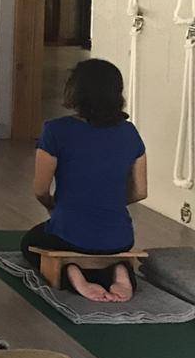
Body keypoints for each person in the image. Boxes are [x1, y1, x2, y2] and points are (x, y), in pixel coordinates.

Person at [22, 59, 148, 303]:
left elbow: (40, 189)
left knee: (30, 243)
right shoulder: (130, 132)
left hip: (69, 234)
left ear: (75, 91)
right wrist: (106, 201)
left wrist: (52, 206)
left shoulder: (55, 130)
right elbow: (141, 191)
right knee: (104, 252)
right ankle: (120, 268)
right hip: (120, 238)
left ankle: (71, 273)